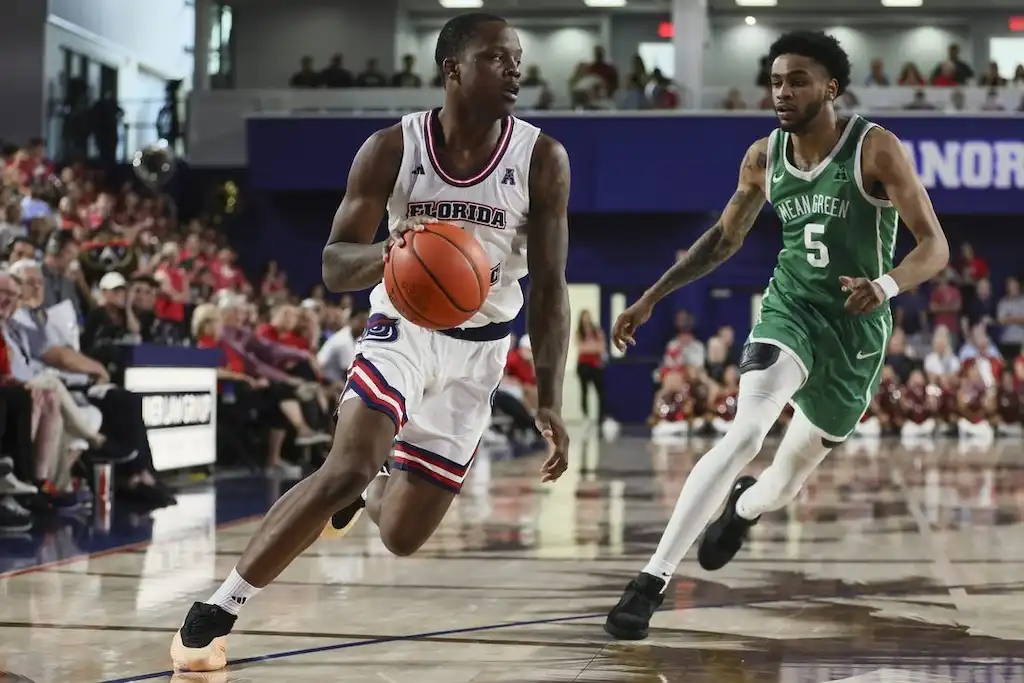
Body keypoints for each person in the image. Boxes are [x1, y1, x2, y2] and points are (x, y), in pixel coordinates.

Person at [170, 12, 571, 672]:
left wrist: (550, 396)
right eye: (499, 58)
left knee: (404, 536)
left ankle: (377, 485)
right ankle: (218, 608)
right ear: (453, 71)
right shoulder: (392, 148)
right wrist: (399, 252)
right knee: (345, 466)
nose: (515, 71)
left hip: (481, 351)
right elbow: (332, 264)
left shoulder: (541, 158)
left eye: (517, 59)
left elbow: (552, 286)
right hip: (403, 328)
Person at [603, 30, 949, 641]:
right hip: (789, 310)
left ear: (830, 87)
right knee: (746, 428)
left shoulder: (876, 150)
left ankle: (743, 509)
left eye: (797, 80)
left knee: (785, 479)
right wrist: (652, 296)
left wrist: (887, 286)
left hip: (858, 328)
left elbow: (934, 246)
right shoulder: (764, 156)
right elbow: (722, 239)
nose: (782, 92)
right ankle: (650, 581)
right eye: (775, 81)